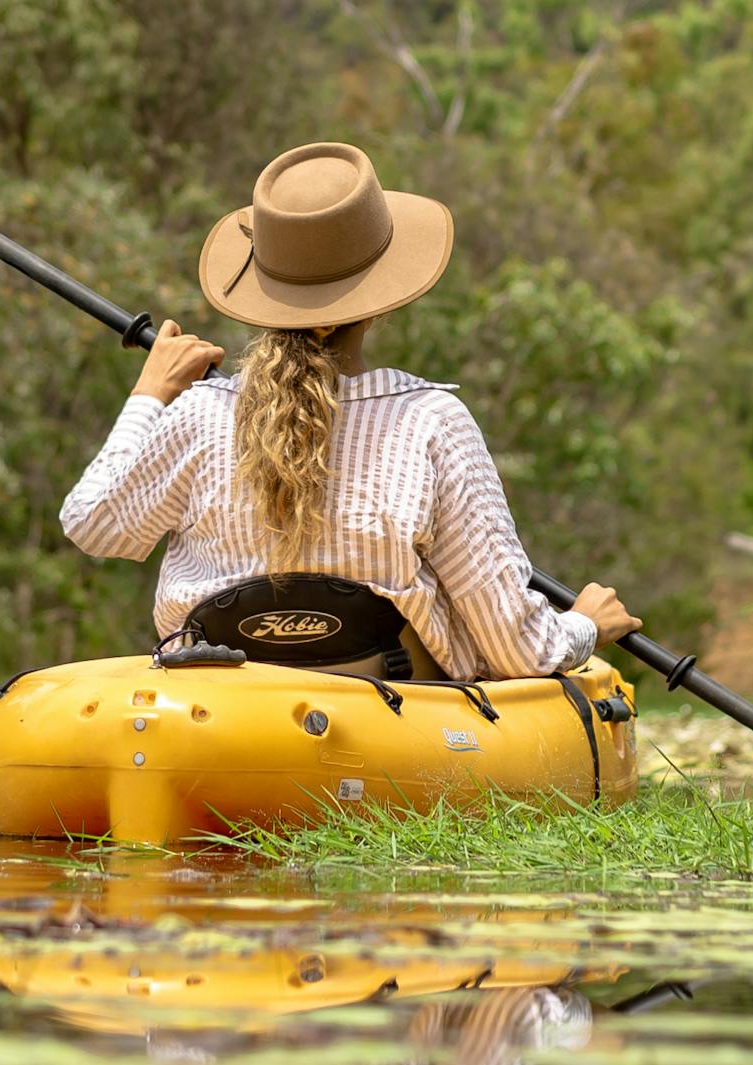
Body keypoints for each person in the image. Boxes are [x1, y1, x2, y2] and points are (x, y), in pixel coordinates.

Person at [61, 140, 638, 677]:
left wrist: (150, 393)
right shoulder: (432, 421)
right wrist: (584, 623)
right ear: (376, 300)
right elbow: (516, 650)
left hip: (215, 713)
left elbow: (93, 525)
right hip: (393, 719)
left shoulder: (197, 414)